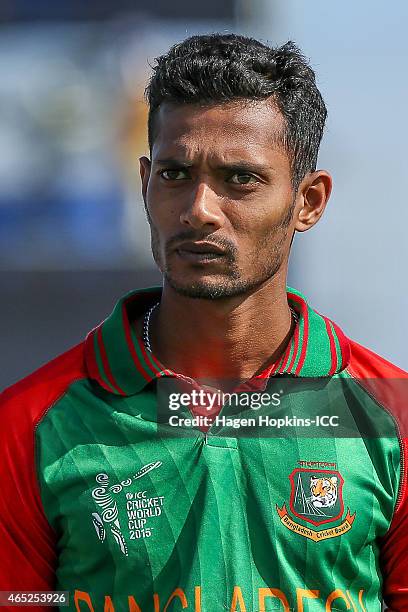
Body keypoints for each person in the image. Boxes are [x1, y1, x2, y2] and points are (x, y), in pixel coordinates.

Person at [0, 33, 407, 612]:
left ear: (309, 201)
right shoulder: (31, 423)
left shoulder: (392, 415)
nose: (198, 210)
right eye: (174, 175)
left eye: (240, 179)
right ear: (143, 184)